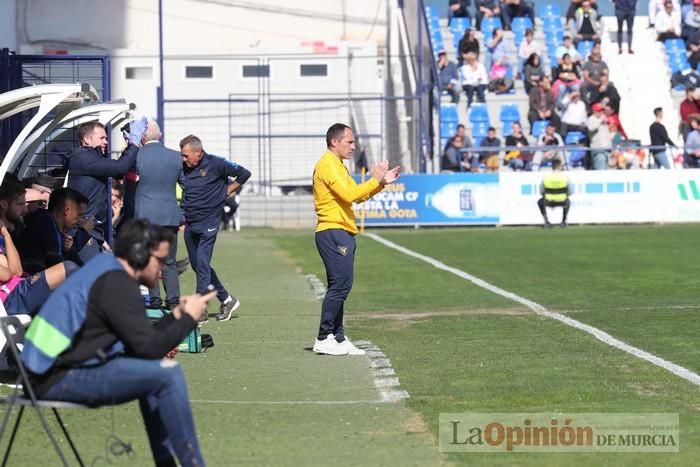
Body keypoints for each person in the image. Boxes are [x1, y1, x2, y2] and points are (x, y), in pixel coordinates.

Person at [22, 219, 216, 467]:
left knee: (157, 375)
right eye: (160, 260)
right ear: (139, 254)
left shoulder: (109, 270)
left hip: (53, 371)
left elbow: (142, 342)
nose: (164, 269)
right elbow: (147, 349)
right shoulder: (117, 283)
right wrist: (188, 317)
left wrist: (177, 316)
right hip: (51, 378)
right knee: (168, 375)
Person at [311, 123, 400, 356]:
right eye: (349, 142)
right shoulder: (327, 165)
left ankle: (338, 337)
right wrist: (375, 179)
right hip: (333, 231)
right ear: (334, 142)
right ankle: (323, 337)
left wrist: (380, 183)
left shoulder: (339, 166)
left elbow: (356, 198)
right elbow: (350, 194)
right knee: (341, 285)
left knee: (340, 285)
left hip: (342, 230)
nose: (353, 146)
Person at [179, 134, 251, 321]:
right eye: (182, 155)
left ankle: (199, 309)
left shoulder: (217, 163)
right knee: (199, 266)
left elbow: (244, 173)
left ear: (199, 153)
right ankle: (227, 299)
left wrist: (228, 190)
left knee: (202, 264)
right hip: (191, 224)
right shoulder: (183, 168)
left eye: (186, 156)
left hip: (209, 222)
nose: (183, 159)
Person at [0, 181, 77, 316]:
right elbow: (7, 274)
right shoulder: (43, 222)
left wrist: (6, 235)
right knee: (68, 268)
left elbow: (16, 271)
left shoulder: (9, 233)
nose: (25, 209)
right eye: (20, 204)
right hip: (10, 298)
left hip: (19, 286)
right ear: (4, 205)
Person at [66, 120, 146, 247]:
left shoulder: (92, 157)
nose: (106, 142)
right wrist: (134, 144)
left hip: (92, 226)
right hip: (84, 226)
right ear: (87, 139)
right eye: (102, 138)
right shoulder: (84, 159)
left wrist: (129, 146)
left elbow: (118, 170)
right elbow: (120, 167)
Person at [134, 120, 184, 311]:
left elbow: (129, 185)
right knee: (169, 261)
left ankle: (154, 301)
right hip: (170, 216)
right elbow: (187, 186)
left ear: (142, 137)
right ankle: (173, 301)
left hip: (145, 216)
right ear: (160, 135)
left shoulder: (136, 156)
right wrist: (182, 212)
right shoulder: (175, 157)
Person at [16, 187, 88, 274]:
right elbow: (59, 267)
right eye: (79, 214)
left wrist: (68, 250)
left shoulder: (48, 223)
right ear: (67, 211)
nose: (81, 220)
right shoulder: (47, 228)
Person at [537, 159, 572, 228]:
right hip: (562, 201)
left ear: (552, 167)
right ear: (560, 166)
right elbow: (570, 191)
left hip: (548, 201)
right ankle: (563, 221)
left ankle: (546, 221)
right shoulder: (565, 178)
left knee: (540, 202)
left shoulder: (545, 178)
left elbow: (541, 191)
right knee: (568, 201)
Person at [587, 103, 613, 170]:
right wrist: (600, 120)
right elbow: (591, 128)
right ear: (594, 111)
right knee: (600, 171)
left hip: (606, 150)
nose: (601, 112)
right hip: (598, 150)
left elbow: (607, 135)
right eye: (599, 111)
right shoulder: (591, 119)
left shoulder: (603, 120)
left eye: (602, 110)